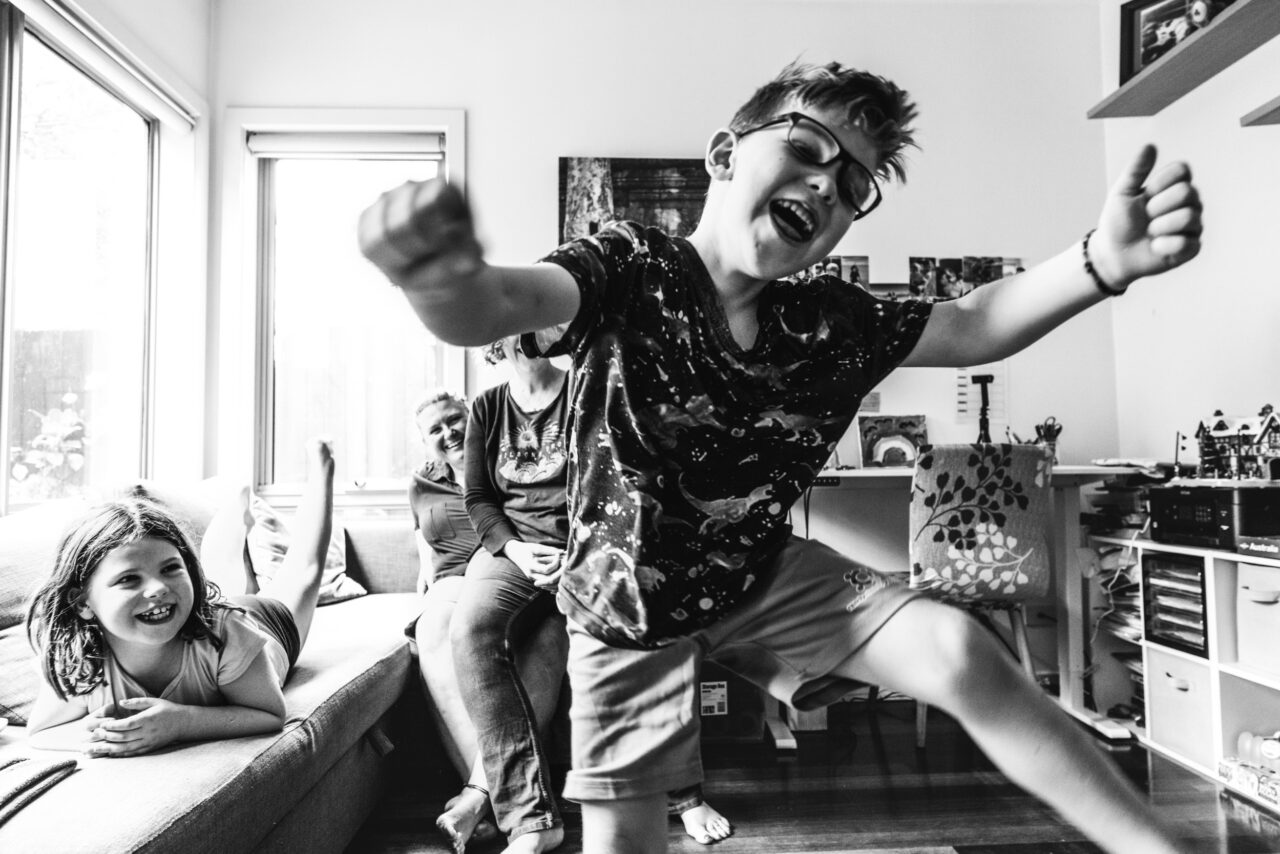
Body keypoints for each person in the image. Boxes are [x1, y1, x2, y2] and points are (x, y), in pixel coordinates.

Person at [359, 59, 1203, 854]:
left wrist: (1101, 263)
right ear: (725, 154)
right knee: (625, 837)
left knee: (958, 648)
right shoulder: (630, 264)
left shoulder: (827, 322)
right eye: (806, 150)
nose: (825, 185)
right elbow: (501, 301)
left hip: (759, 572)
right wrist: (437, 277)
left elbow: (976, 322)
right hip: (624, 597)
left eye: (852, 187)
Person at [455, 337, 732, 852]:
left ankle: (687, 797)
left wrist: (580, 551)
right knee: (471, 631)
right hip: (513, 554)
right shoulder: (487, 406)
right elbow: (478, 497)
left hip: (587, 548)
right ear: (501, 339)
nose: (540, 331)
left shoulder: (585, 390)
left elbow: (613, 482)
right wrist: (514, 549)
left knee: (644, 633)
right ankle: (533, 819)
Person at [25, 438, 337, 755]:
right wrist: (106, 733)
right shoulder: (82, 659)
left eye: (170, 568)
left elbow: (270, 716)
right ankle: (237, 512)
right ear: (83, 603)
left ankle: (322, 465)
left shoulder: (230, 634)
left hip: (261, 625)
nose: (157, 587)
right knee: (215, 587)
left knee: (304, 570)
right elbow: (41, 733)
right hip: (194, 614)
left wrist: (181, 722)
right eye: (129, 578)